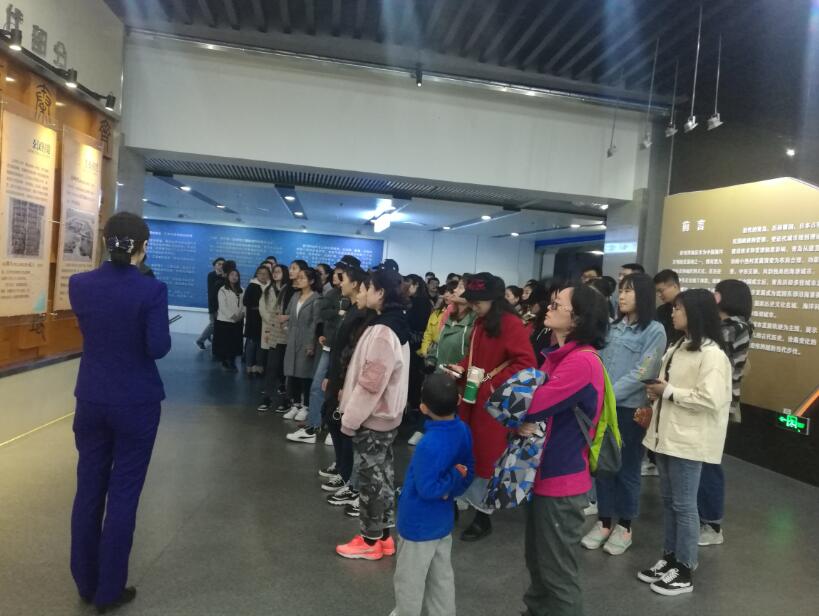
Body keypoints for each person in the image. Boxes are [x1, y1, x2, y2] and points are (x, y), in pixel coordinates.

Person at [69, 212, 172, 612]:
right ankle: (109, 589)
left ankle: (85, 580)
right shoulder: (152, 290)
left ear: (104, 241)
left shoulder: (80, 285)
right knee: (124, 493)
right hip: (136, 402)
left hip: (92, 397)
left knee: (88, 489)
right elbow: (157, 347)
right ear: (144, 247)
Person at [517, 283, 609, 616]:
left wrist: (514, 408)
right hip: (543, 473)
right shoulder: (557, 358)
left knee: (557, 575)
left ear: (579, 318)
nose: (548, 308)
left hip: (561, 481)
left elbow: (529, 405)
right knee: (539, 564)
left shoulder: (581, 362)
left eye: (557, 305)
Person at [639, 289, 732, 597]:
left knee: (684, 505)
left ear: (695, 313)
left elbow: (710, 399)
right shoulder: (678, 346)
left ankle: (685, 567)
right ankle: (670, 557)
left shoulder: (712, 355)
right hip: (666, 436)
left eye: (678, 308)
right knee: (670, 502)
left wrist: (668, 391)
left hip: (688, 440)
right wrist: (657, 391)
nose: (673, 312)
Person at [581, 273, 666, 555]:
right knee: (603, 465)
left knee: (627, 469)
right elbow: (598, 362)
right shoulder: (613, 327)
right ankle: (604, 521)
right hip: (603, 407)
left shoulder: (654, 330)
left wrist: (607, 395)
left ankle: (625, 526)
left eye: (629, 291)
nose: (623, 296)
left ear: (643, 295)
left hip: (629, 410)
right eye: (621, 290)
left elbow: (644, 372)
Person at [447, 273, 535, 542]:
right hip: (473, 399)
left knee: (487, 457)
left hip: (492, 405)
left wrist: (490, 384)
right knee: (467, 451)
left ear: (494, 300)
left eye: (478, 301)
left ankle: (483, 516)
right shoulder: (482, 322)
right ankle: (462, 504)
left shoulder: (510, 324)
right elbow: (474, 357)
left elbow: (526, 363)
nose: (473, 305)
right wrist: (461, 368)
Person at [336, 267, 411, 561]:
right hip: (387, 415)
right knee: (383, 476)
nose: (362, 292)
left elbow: (371, 383)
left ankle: (369, 540)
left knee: (370, 479)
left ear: (380, 293)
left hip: (373, 416)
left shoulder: (382, 331)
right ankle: (384, 537)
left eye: (367, 288)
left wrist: (350, 419)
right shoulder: (395, 323)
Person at [390, 374, 475, 616]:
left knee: (409, 581)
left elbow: (427, 489)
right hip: (442, 520)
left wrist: (449, 481)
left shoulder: (427, 445)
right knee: (441, 579)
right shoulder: (463, 430)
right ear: (459, 400)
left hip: (417, 524)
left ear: (423, 408)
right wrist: (452, 488)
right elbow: (468, 470)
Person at [697, 279, 754, 547]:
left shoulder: (733, 328)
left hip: (718, 404)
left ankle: (712, 524)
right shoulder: (732, 326)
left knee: (708, 463)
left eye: (716, 293)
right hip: (715, 402)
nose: (712, 297)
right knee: (702, 462)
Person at [288, 257, 359, 444]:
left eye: (341, 275)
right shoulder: (333, 294)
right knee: (318, 386)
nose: (337, 278)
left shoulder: (359, 305)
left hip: (348, 352)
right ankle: (314, 426)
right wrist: (333, 321)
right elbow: (323, 313)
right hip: (330, 347)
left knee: (341, 391)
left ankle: (337, 430)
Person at [322, 264, 374, 510]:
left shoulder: (363, 316)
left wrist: (343, 382)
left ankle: (348, 475)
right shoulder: (352, 309)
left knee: (344, 426)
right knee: (332, 418)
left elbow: (352, 351)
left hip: (346, 378)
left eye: (343, 279)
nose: (339, 282)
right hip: (338, 374)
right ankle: (343, 469)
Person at [282, 266, 322, 421]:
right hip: (293, 339)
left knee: (305, 374)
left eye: (302, 278)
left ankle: (306, 406)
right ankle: (295, 404)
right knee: (292, 374)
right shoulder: (295, 296)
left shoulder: (316, 299)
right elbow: (288, 315)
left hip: (306, 340)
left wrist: (311, 344)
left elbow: (315, 323)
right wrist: (286, 328)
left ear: (311, 281)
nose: (298, 280)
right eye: (297, 278)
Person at [257, 264, 292, 412]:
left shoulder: (289, 289)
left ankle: (286, 398)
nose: (275, 274)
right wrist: (269, 329)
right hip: (272, 331)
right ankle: (267, 398)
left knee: (284, 369)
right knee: (271, 366)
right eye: (274, 272)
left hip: (286, 333)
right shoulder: (268, 289)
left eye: (279, 271)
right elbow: (265, 310)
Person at [404, 274, 432, 439]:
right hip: (413, 346)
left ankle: (414, 415)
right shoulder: (414, 301)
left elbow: (419, 326)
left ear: (415, 285)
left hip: (415, 347)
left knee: (414, 382)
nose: (405, 287)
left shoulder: (421, 303)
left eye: (408, 284)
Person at [242, 264, 271, 377]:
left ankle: (259, 366)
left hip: (266, 320)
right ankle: (249, 366)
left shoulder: (270, 287)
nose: (263, 276)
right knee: (252, 343)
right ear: (257, 274)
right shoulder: (252, 286)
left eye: (266, 274)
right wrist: (259, 308)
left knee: (262, 344)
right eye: (261, 274)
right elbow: (246, 301)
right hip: (253, 319)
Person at [213, 269, 244, 371]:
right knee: (226, 343)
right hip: (225, 321)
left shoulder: (242, 290)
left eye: (236, 275)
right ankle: (226, 361)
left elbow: (245, 304)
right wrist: (233, 316)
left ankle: (232, 361)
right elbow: (222, 306)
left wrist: (242, 314)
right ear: (228, 276)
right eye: (232, 275)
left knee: (235, 342)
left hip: (238, 320)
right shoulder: (222, 290)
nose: (234, 277)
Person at [196, 257, 225, 350]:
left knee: (217, 325)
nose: (221, 266)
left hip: (223, 305)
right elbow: (214, 289)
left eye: (223, 264)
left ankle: (209, 336)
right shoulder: (211, 275)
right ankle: (200, 340)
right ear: (214, 266)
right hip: (213, 304)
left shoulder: (225, 276)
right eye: (219, 264)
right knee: (213, 324)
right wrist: (223, 277)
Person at [654, 269, 683, 348]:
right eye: (657, 292)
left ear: (675, 286)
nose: (659, 295)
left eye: (661, 290)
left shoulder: (690, 308)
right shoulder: (660, 311)